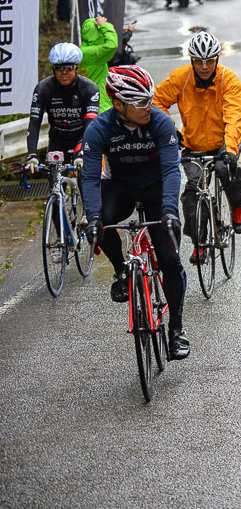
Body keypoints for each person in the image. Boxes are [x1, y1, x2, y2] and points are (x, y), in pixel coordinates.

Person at [82, 65, 190, 359]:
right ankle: (121, 272)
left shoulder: (160, 122)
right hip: (122, 187)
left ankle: (176, 329)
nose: (148, 106)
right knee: (100, 222)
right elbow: (90, 178)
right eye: (141, 102)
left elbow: (171, 170)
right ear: (118, 104)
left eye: (150, 99)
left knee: (169, 258)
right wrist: (92, 217)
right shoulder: (100, 129)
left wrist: (169, 211)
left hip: (157, 190)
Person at [154, 31, 241, 260]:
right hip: (194, 143)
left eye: (209, 61)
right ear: (192, 60)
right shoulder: (181, 77)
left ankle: (237, 206)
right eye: (199, 61)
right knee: (193, 190)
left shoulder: (228, 79)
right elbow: (157, 102)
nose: (204, 66)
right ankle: (199, 241)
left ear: (217, 59)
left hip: (224, 141)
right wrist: (171, 130)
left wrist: (230, 150)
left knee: (226, 170)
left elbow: (234, 116)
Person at [24, 43, 99, 177]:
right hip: (57, 140)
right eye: (59, 68)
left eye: (68, 68)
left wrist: (82, 153)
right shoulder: (43, 88)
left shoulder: (89, 88)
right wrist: (32, 155)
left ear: (76, 68)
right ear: (53, 69)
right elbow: (34, 123)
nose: (64, 73)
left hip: (81, 139)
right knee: (55, 183)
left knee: (85, 182)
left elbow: (91, 124)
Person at [79, 15, 119, 113]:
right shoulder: (93, 54)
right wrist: (104, 26)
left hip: (89, 100)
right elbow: (112, 45)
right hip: (99, 104)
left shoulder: (82, 51)